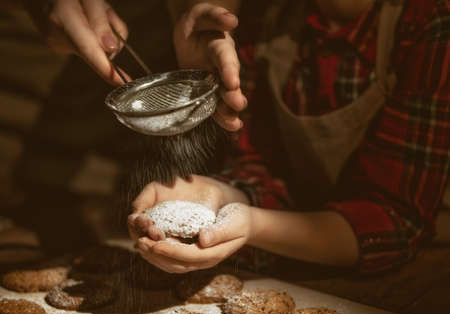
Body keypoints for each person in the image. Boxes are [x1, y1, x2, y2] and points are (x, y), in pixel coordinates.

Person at [23, 0, 450, 274]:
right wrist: (216, 194)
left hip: (404, 272)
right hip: (288, 255)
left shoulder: (430, 26)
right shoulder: (273, 18)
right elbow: (262, 169)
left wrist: (252, 225)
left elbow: (394, 222)